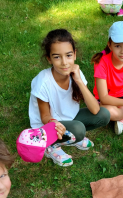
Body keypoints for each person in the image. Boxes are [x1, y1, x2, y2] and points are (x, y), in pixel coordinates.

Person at [29, 29, 110, 167]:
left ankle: (70, 136)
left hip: (69, 117)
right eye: (57, 57)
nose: (64, 62)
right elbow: (44, 116)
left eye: (68, 55)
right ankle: (50, 146)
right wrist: (55, 124)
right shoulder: (42, 82)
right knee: (78, 130)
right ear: (49, 59)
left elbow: (95, 110)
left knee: (104, 114)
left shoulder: (76, 74)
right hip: (47, 125)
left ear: (75, 55)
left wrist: (78, 80)